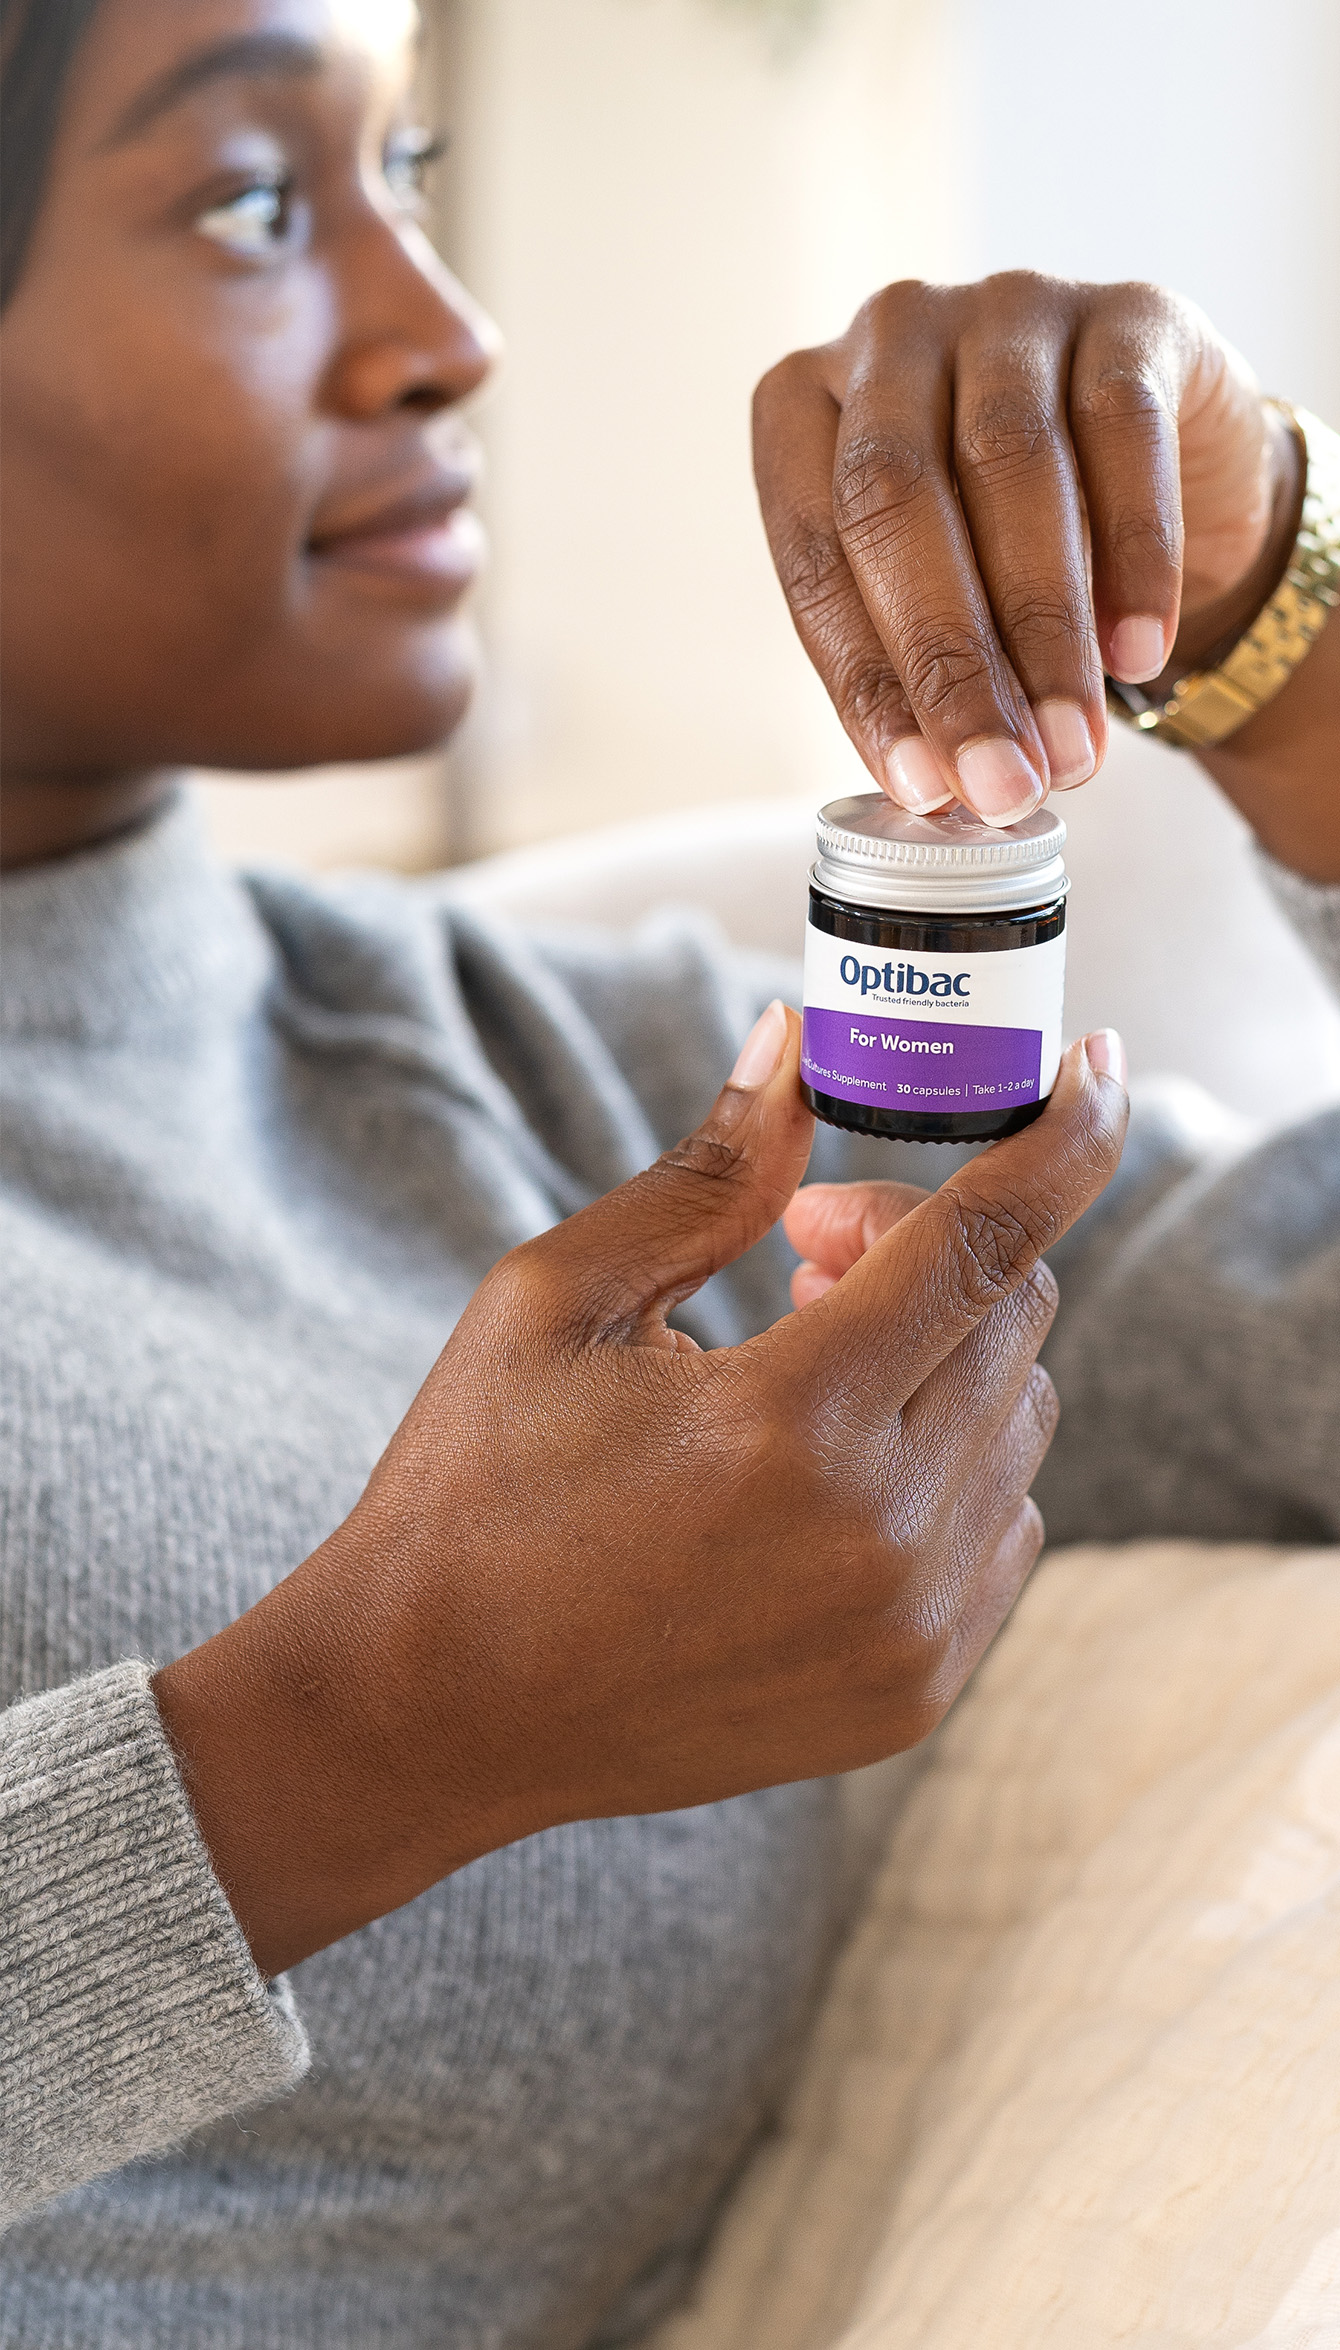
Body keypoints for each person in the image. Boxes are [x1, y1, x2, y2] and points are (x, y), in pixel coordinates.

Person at [0, 1, 1334, 2344]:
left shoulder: (561, 1084)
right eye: (248, 200)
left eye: (405, 160)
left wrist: (1274, 629)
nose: (449, 328)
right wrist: (353, 1737)